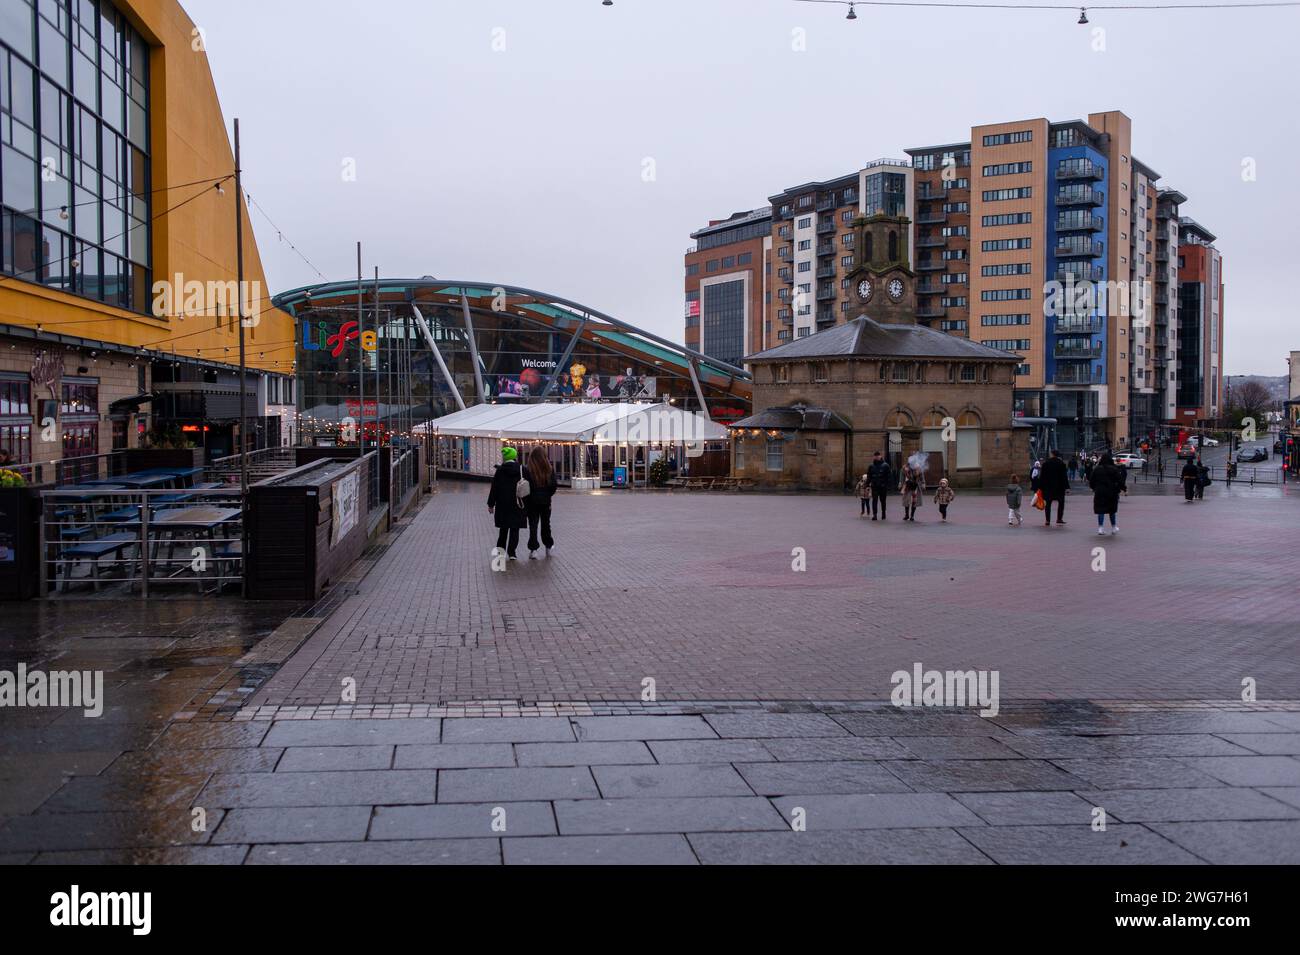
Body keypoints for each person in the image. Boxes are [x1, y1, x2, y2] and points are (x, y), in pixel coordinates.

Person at [487, 446, 528, 560]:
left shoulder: (500, 470)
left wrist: (491, 504)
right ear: (515, 456)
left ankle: (501, 552)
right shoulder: (522, 469)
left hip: (502, 504)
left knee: (503, 529)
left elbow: (494, 488)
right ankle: (512, 553)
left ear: (505, 457)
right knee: (515, 529)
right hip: (518, 503)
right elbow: (528, 486)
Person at [523, 446, 558, 558]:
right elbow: (553, 485)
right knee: (546, 524)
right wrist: (548, 495)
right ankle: (548, 546)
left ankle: (533, 550)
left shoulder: (528, 469)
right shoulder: (549, 468)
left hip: (531, 502)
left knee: (533, 525)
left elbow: (526, 486)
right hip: (545, 502)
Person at [1089, 451, 1127, 535]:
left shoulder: (1097, 469)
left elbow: (1091, 480)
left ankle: (1100, 528)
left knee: (1100, 510)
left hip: (1100, 492)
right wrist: (1124, 488)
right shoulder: (1114, 469)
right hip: (1111, 492)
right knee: (1112, 510)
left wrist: (1093, 488)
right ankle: (1114, 527)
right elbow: (1119, 480)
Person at [1039, 449, 1069, 527]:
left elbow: (1042, 477)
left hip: (1048, 487)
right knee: (1061, 503)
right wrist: (1067, 487)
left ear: (1052, 454)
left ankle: (1047, 520)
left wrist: (1040, 487)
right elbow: (1064, 477)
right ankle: (1059, 519)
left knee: (1048, 504)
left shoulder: (1046, 464)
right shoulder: (1061, 463)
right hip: (1059, 487)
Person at [866, 451, 892, 520]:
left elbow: (889, 476)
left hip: (883, 487)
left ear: (880, 456)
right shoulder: (871, 466)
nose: (877, 457)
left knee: (883, 501)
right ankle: (875, 515)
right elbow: (869, 476)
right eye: (875, 456)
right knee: (874, 500)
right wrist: (867, 485)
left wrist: (887, 485)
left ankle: (883, 513)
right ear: (874, 457)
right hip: (874, 486)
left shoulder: (886, 465)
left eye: (878, 455)